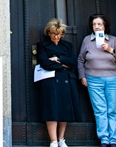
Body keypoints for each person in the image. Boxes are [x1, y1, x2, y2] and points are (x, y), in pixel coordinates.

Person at [77, 14, 116, 147]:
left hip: (113, 78)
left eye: (99, 24)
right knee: (100, 110)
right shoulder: (87, 40)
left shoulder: (113, 40)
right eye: (94, 24)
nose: (97, 27)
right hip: (93, 79)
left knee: (112, 110)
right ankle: (104, 138)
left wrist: (111, 50)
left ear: (105, 26)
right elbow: (81, 60)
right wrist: (82, 76)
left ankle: (114, 139)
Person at [37, 18, 81, 147]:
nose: (55, 36)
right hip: (50, 81)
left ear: (62, 34)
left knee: (64, 109)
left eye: (58, 34)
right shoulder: (42, 45)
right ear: (48, 33)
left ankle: (61, 139)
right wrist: (63, 65)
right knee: (51, 109)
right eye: (53, 34)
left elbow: (72, 62)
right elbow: (44, 62)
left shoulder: (67, 45)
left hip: (65, 80)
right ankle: (53, 141)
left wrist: (58, 59)